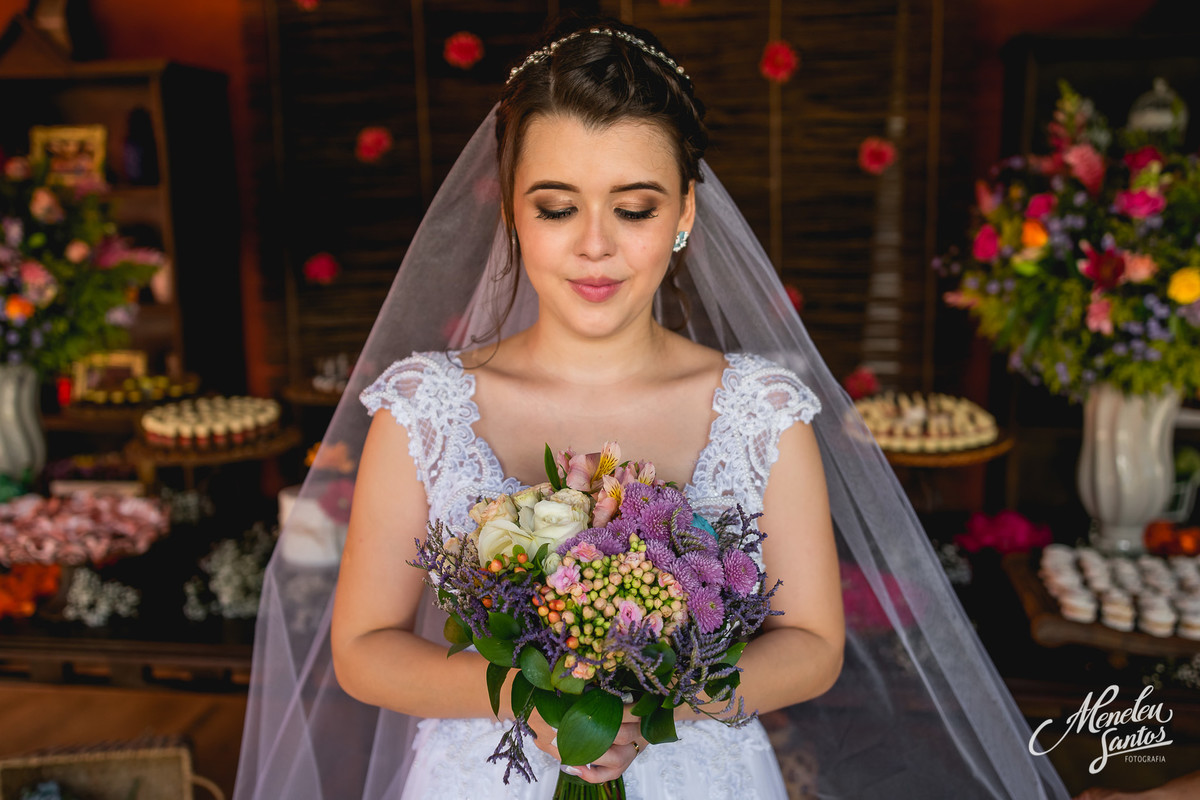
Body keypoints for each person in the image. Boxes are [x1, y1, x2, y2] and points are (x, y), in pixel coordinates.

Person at [233, 17, 1071, 800]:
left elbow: (813, 649)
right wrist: (533, 701)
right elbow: (363, 653)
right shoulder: (424, 408)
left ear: (685, 213)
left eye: (633, 208)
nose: (594, 243)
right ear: (512, 213)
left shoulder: (760, 410)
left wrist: (656, 698)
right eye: (557, 207)